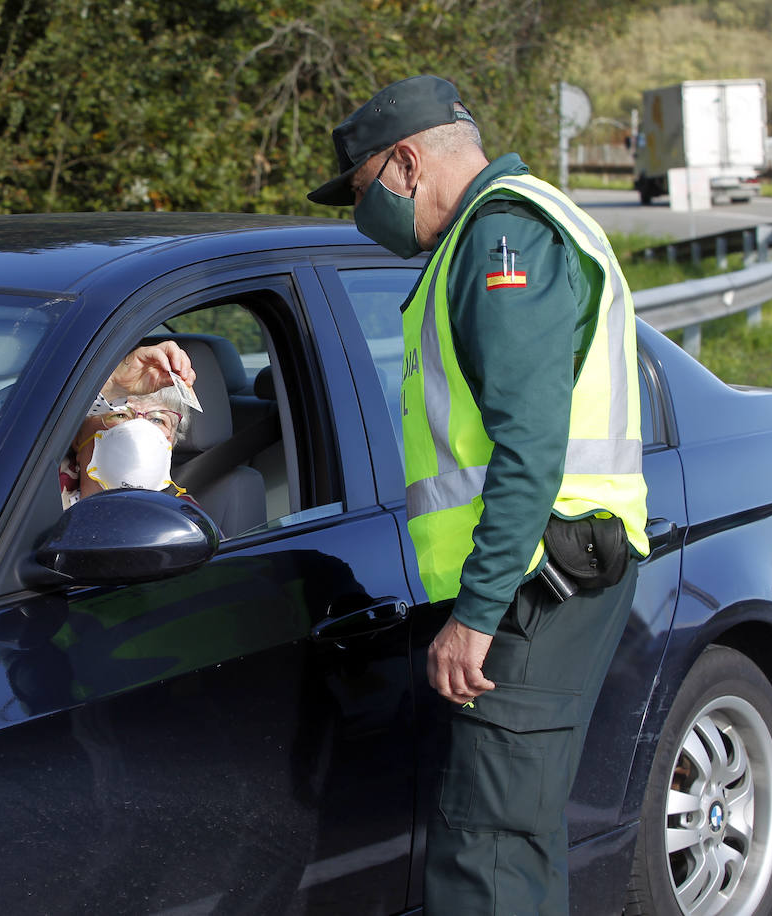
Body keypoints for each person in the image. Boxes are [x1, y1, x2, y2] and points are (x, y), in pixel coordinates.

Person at [308, 75, 649, 915]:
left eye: (361, 191)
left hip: (536, 584)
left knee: (486, 852)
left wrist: (477, 613)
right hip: (550, 573)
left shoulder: (502, 240)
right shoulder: (510, 226)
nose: (365, 213)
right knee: (515, 838)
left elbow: (527, 446)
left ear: (406, 162)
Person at [61, 341, 197, 508]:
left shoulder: (187, 521)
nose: (138, 430)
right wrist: (113, 384)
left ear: (170, 443)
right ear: (77, 437)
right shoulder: (34, 494)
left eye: (157, 420)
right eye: (120, 414)